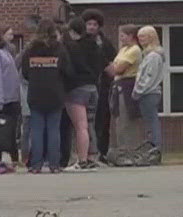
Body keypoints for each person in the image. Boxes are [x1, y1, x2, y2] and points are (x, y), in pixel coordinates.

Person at [19, 30, 65, 174]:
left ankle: (36, 165)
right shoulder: (59, 50)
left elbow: (25, 72)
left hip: (35, 93)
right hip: (55, 93)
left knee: (36, 130)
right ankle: (54, 164)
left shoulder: (30, 51)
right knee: (54, 130)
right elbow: (67, 70)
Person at [62, 18, 101, 171]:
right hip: (92, 88)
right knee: (90, 124)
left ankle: (82, 160)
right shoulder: (94, 45)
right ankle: (92, 157)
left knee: (80, 127)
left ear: (72, 31)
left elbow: (69, 69)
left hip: (76, 89)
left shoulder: (71, 47)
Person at [103, 25, 144, 166]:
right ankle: (119, 152)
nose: (121, 38)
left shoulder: (134, 50)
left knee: (127, 121)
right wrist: (112, 67)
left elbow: (117, 69)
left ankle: (129, 152)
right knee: (118, 121)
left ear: (131, 35)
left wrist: (111, 67)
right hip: (117, 86)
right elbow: (113, 67)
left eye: (123, 35)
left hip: (127, 87)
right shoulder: (123, 50)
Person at [0, 26, 23, 174]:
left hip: (12, 98)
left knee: (10, 131)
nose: (11, 37)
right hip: (3, 100)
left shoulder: (6, 52)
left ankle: (13, 160)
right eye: (9, 34)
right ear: (1, 35)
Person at [80, 10, 116, 162]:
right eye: (89, 24)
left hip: (104, 86)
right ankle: (87, 152)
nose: (91, 27)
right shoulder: (80, 42)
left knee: (103, 120)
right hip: (86, 84)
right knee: (85, 121)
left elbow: (112, 62)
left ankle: (103, 151)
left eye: (94, 24)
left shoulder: (105, 43)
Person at [132, 26, 167, 164]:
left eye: (143, 36)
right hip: (149, 92)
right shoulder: (149, 54)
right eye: (139, 37)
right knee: (149, 122)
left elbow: (149, 77)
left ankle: (155, 149)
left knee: (152, 122)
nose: (140, 39)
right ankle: (152, 147)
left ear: (151, 37)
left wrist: (138, 90)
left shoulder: (153, 56)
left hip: (149, 93)